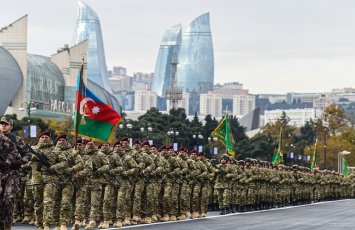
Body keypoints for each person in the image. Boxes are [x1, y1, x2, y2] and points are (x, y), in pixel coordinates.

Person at [0, 116, 32, 230]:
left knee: (8, 198)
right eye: (2, 123)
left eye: (6, 124)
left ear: (11, 126)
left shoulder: (16, 139)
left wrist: (19, 162)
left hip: (12, 174)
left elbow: (28, 154)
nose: (3, 125)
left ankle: (8, 224)